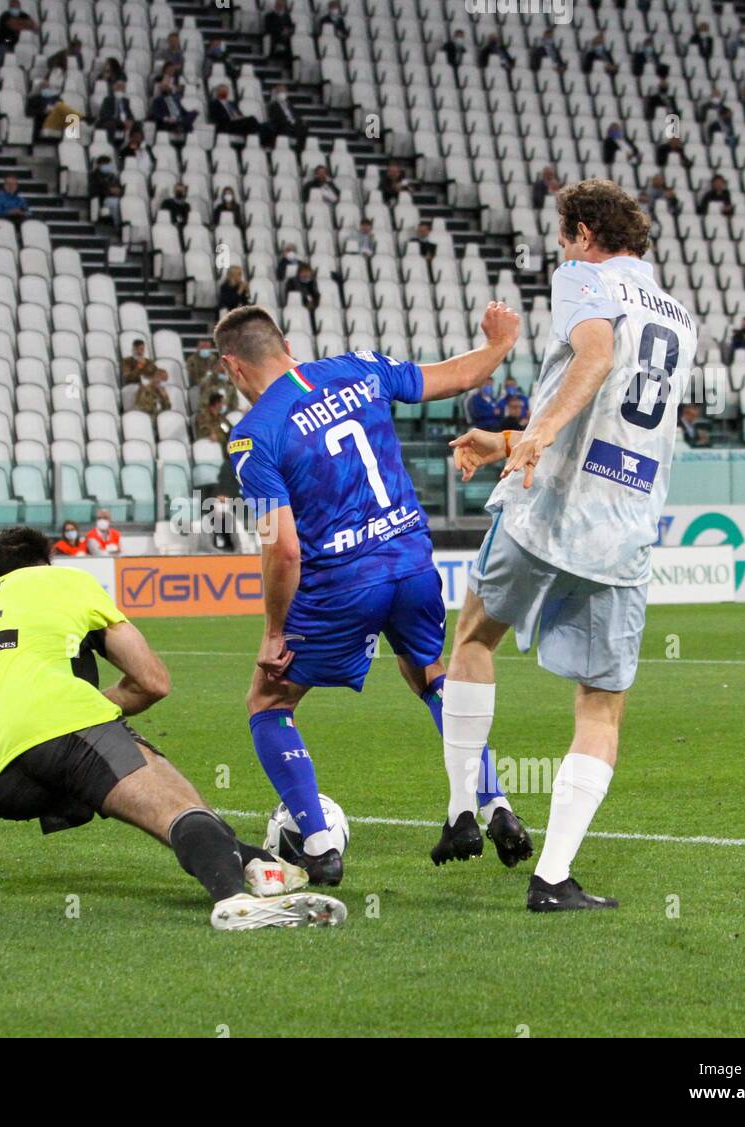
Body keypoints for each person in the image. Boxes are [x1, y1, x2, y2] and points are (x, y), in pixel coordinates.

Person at [445, 179, 698, 911]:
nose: (560, 247)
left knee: (471, 638)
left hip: (545, 508)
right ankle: (552, 878)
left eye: (563, 234)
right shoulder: (680, 316)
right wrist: (511, 440)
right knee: (601, 705)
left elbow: (594, 355)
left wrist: (539, 440)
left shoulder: (585, 278)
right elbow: (621, 408)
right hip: (623, 525)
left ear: (585, 232)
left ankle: (464, 806)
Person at [214, 300, 528, 887]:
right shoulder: (361, 367)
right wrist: (500, 344)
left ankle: (317, 841)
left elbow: (281, 549)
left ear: (233, 367)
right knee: (430, 674)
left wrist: (275, 630)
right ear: (283, 344)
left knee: (268, 703)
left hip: (340, 585)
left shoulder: (252, 439)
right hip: (411, 563)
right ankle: (493, 804)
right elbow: (459, 377)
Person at [0, 527, 344, 930]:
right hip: (63, 726)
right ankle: (234, 900)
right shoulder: (64, 581)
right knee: (174, 805)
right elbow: (152, 681)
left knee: (132, 794)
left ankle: (251, 861)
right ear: (43, 564)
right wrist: (84, 714)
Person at [208, 85, 274, 146]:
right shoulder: (214, 104)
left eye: (226, 91)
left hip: (238, 123)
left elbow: (240, 114)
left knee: (267, 125)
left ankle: (262, 141)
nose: (225, 92)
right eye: (222, 90)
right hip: (227, 125)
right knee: (252, 119)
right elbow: (216, 118)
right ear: (218, 92)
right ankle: (257, 137)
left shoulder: (232, 103)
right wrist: (234, 118)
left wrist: (240, 117)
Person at [0, 1, 37, 67]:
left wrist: (24, 24)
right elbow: (13, 25)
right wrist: (26, 25)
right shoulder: (5, 16)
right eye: (13, 7)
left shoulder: (23, 15)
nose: (15, 9)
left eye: (17, 7)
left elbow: (35, 26)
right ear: (9, 7)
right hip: (3, 41)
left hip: (14, 43)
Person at [90, 155, 123, 227]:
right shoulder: (94, 175)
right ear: (98, 165)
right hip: (103, 199)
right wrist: (109, 190)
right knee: (115, 203)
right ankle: (118, 226)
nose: (106, 166)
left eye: (107, 164)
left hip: (116, 197)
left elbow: (119, 188)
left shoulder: (112, 176)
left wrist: (118, 191)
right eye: (104, 164)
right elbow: (95, 190)